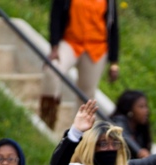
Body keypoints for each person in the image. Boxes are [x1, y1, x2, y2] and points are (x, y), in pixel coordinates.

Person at [38, 0, 120, 130]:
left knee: (86, 95)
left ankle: (78, 133)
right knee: (52, 70)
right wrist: (54, 46)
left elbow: (113, 26)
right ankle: (47, 121)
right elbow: (56, 15)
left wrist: (114, 62)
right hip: (71, 42)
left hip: (96, 48)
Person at [111, 90, 152, 159]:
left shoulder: (140, 131)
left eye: (146, 106)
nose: (146, 110)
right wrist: (140, 151)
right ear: (130, 109)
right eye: (141, 107)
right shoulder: (118, 121)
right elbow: (122, 134)